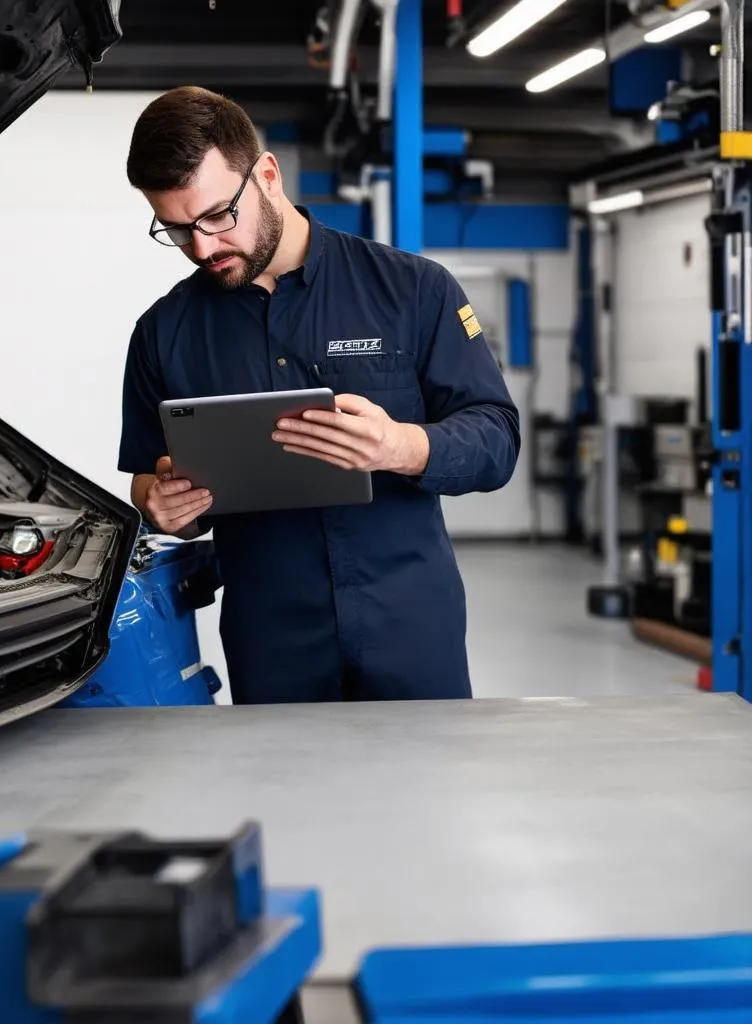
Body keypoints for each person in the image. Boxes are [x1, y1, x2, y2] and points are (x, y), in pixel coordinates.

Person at [117, 86, 520, 704]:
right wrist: (159, 503)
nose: (202, 248)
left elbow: (497, 440)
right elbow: (146, 478)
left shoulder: (415, 291)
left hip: (411, 623)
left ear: (268, 175)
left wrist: (403, 445)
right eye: (175, 230)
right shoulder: (162, 333)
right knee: (281, 803)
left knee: (423, 797)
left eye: (217, 216)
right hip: (269, 636)